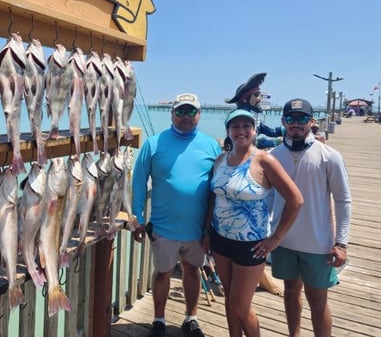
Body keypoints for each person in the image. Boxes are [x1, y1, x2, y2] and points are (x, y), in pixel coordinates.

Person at [203, 109, 303, 337]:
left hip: (252, 245)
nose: (241, 131)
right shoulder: (220, 160)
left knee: (240, 305)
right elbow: (213, 197)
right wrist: (207, 231)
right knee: (229, 299)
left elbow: (296, 200)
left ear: (254, 130)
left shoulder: (264, 160)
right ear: (228, 132)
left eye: (246, 126)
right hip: (220, 240)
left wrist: (275, 238)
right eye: (235, 126)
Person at [131, 93, 222, 337]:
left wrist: (213, 228)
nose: (185, 116)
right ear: (172, 114)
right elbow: (138, 182)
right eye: (180, 111)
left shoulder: (212, 145)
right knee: (163, 273)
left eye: (190, 111)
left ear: (199, 114)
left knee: (192, 271)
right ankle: (159, 320)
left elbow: (219, 187)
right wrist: (138, 219)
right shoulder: (153, 143)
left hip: (197, 230)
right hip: (163, 227)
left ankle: (191, 318)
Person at [270, 98, 352, 337]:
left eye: (302, 118)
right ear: (283, 121)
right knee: (291, 291)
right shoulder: (272, 156)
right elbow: (266, 199)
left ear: (312, 121)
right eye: (291, 119)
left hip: (317, 244)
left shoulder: (329, 156)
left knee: (318, 299)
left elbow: (343, 200)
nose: (296, 123)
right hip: (282, 241)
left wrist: (341, 243)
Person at [225, 73, 284, 149]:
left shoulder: (253, 116)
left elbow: (270, 131)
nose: (260, 98)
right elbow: (249, 140)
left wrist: (288, 128)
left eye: (260, 95)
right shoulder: (240, 118)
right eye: (256, 95)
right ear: (245, 99)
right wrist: (275, 142)